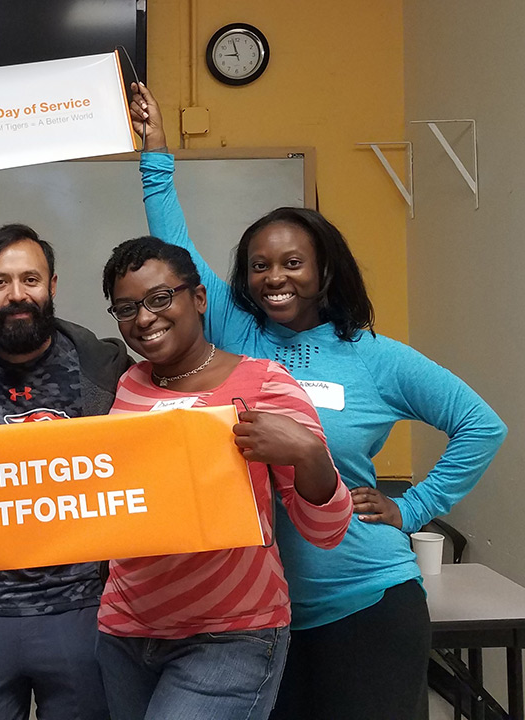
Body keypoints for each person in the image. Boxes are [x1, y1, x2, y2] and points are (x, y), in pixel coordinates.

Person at [130, 83, 507, 719]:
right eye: (258, 265)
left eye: (292, 262)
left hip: (369, 601)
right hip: (261, 616)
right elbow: (175, 247)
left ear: (324, 270)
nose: (274, 278)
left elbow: (481, 424)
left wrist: (414, 506)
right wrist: (155, 154)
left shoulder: (375, 355)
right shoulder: (235, 331)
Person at [97, 236, 353, 720]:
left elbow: (327, 530)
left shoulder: (265, 383)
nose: (145, 318)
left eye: (159, 298)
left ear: (198, 298)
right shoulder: (127, 385)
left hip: (231, 633)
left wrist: (309, 454)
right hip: (126, 632)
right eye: (126, 308)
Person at [0, 224, 128, 720]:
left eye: (30, 279)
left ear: (53, 285)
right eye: (0, 282)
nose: (17, 295)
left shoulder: (107, 367)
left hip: (84, 605)